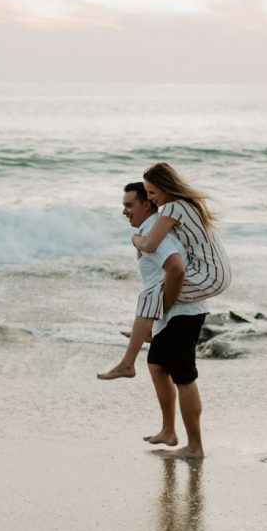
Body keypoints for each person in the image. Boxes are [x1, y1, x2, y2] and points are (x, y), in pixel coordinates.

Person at [98, 182, 208, 458]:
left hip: (181, 314)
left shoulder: (155, 233)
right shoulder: (151, 232)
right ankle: (169, 432)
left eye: (129, 205)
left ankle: (195, 447)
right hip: (172, 315)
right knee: (157, 365)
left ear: (147, 204)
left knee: (184, 377)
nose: (124, 211)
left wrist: (165, 308)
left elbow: (176, 269)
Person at [131, 163, 231, 309]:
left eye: (152, 193)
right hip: (220, 273)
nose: (148, 198)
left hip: (208, 277)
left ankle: (143, 331)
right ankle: (149, 329)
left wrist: (134, 239)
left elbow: (149, 245)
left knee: (153, 294)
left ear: (165, 188)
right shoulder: (190, 203)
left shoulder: (174, 208)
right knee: (160, 289)